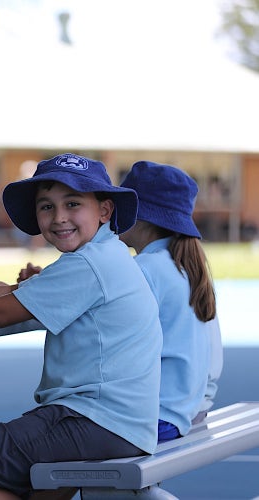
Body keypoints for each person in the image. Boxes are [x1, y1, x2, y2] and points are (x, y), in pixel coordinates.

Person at [0, 153, 163, 500]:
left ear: (104, 211)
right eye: (47, 207)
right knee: (40, 491)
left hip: (94, 418)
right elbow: (16, 293)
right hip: (123, 421)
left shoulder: (88, 264)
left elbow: (3, 310)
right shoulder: (103, 255)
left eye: (72, 204)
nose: (59, 217)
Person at [119, 161, 222, 440]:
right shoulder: (188, 266)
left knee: (44, 447)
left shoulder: (145, 269)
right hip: (189, 409)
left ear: (141, 216)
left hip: (154, 416)